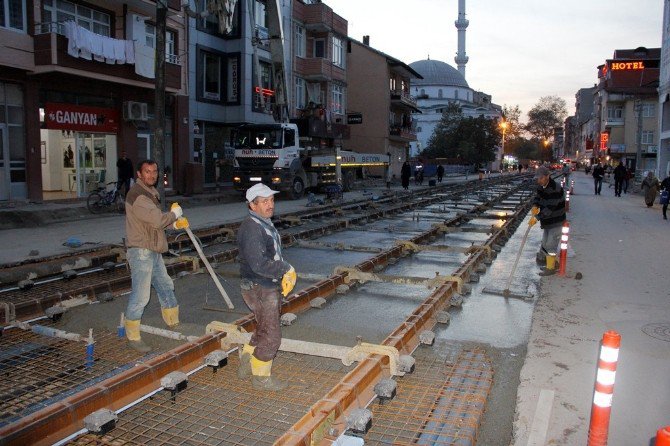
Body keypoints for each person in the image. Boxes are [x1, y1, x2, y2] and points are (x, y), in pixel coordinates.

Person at [237, 183, 296, 391]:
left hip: (262, 284)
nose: (270, 205)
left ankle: (246, 362)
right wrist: (285, 268)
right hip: (260, 286)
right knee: (271, 335)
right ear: (252, 205)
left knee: (262, 327)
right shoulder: (253, 228)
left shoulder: (261, 222)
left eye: (271, 200)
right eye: (264, 202)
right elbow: (259, 264)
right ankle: (261, 378)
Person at [123, 160, 184, 353]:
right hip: (141, 251)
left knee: (165, 285)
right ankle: (132, 336)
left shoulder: (148, 193)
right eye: (147, 172)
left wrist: (173, 225)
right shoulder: (139, 196)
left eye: (154, 172)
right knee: (141, 295)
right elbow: (157, 220)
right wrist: (173, 215)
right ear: (139, 175)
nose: (151, 175)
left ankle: (173, 322)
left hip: (152, 248)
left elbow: (151, 222)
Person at [531, 166, 566, 276]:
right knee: (545, 244)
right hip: (547, 222)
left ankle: (550, 268)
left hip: (556, 221)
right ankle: (552, 263)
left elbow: (549, 209)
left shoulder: (555, 188)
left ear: (547, 176)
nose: (539, 180)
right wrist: (535, 205)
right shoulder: (541, 186)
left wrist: (537, 217)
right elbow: (538, 197)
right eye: (538, 178)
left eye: (541, 178)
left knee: (551, 244)